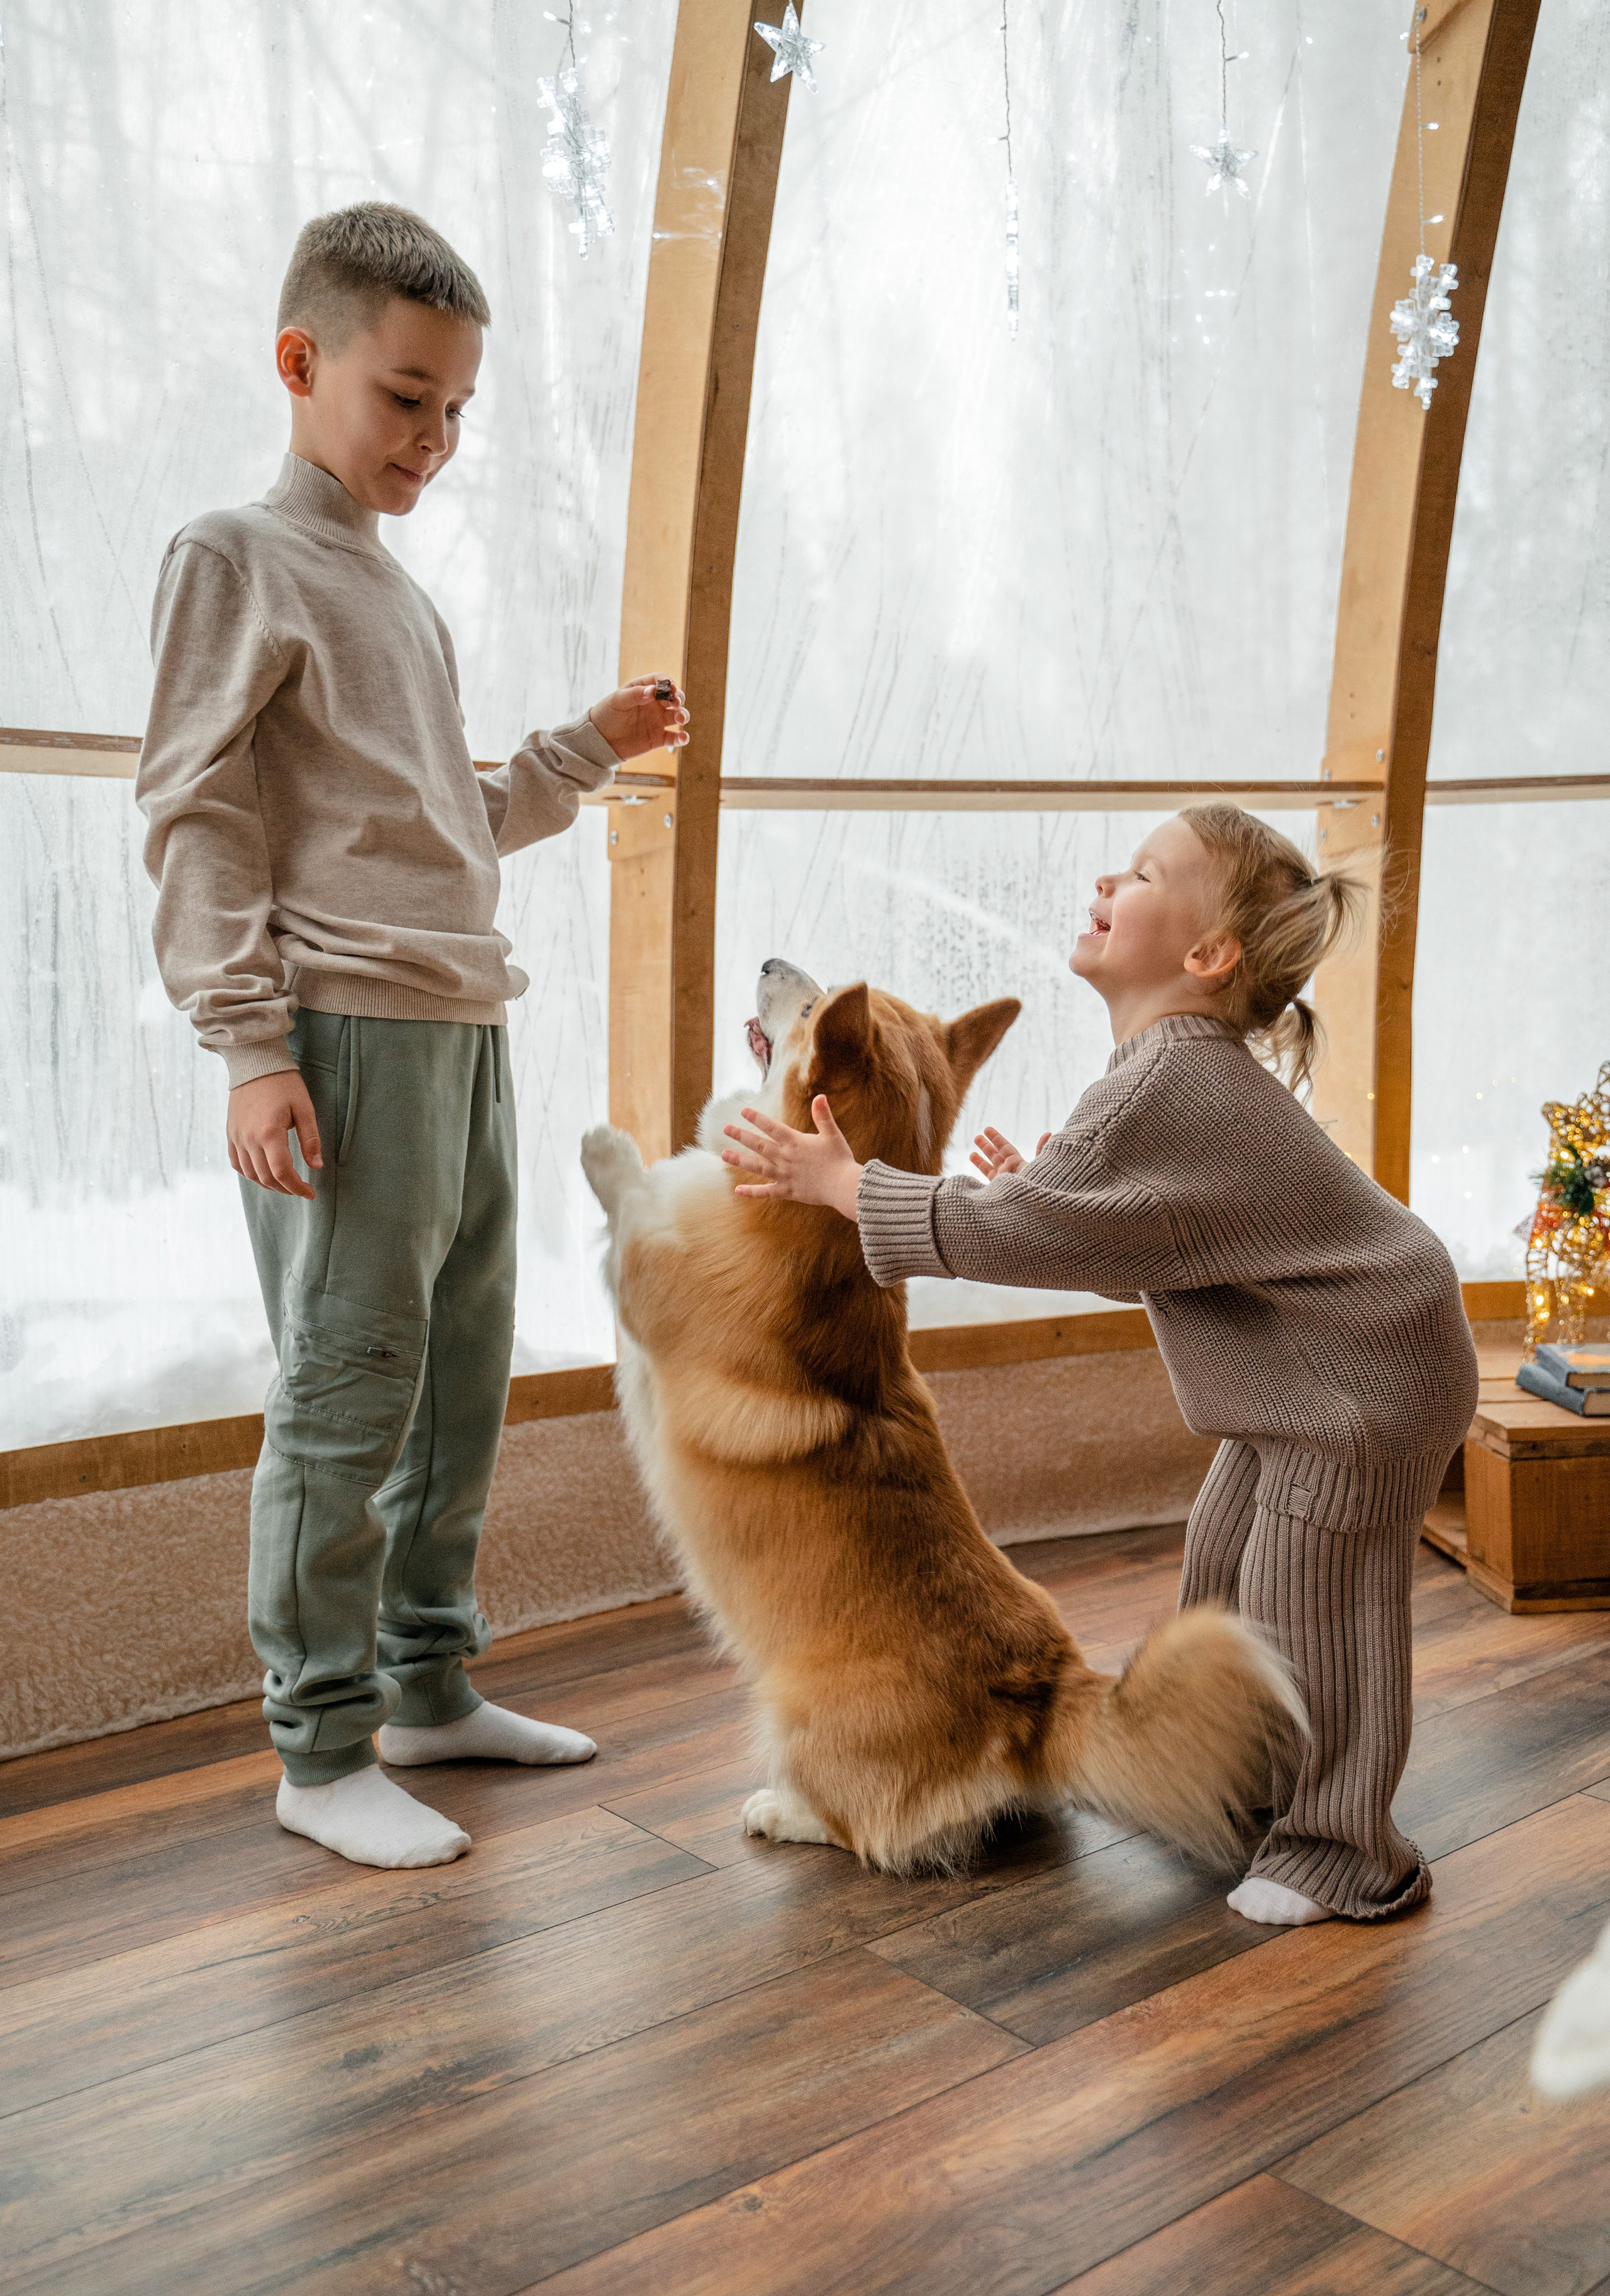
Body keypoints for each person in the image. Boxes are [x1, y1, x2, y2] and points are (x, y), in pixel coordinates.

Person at [136, 202, 689, 1871]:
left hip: (459, 1027)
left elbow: (455, 814)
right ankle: (319, 1743)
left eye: (455, 410)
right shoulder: (235, 556)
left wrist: (588, 746)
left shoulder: (399, 596)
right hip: (343, 1037)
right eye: (403, 398)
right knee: (349, 1384)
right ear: (302, 364)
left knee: (455, 1375)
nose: (434, 438)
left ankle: (430, 1681)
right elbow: (193, 810)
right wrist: (248, 1042)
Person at [720, 805, 1479, 1924]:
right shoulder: (1160, 1073)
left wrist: (849, 1187)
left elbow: (1030, 1233)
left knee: (1317, 1604)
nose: (1105, 881)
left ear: (1207, 955)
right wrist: (1042, 1195)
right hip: (1333, 1364)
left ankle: (1345, 1848)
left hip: (1364, 1384)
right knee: (1228, 1566)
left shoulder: (1170, 1079)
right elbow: (1138, 1240)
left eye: (1140, 873)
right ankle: (1247, 1789)